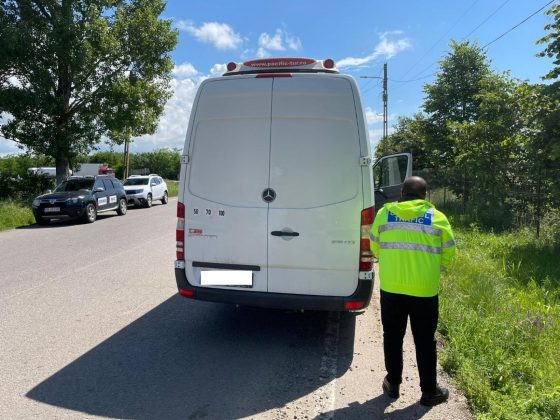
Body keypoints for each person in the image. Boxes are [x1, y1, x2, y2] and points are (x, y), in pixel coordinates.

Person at [370, 176, 456, 407]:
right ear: (424, 196)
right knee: (425, 340)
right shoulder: (437, 218)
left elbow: (374, 245)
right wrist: (433, 269)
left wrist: (391, 262)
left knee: (392, 336)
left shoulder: (384, 214)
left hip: (391, 288)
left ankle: (392, 384)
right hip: (424, 291)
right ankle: (429, 392)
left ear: (402, 193)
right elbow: (449, 252)